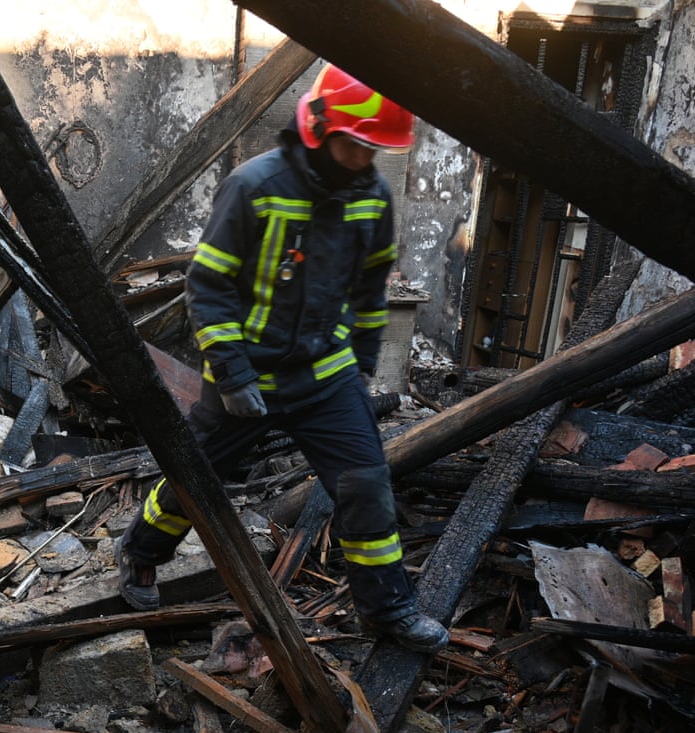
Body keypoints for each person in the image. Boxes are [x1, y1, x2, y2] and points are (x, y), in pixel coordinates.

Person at [115, 63, 449, 654]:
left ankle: (389, 609)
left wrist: (366, 370)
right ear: (320, 126)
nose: (365, 157)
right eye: (357, 143)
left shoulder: (371, 197)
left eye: (375, 147)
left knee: (366, 485)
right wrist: (235, 374)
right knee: (195, 480)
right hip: (247, 378)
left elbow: (372, 291)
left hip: (326, 377)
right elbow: (208, 287)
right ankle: (141, 552)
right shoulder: (255, 186)